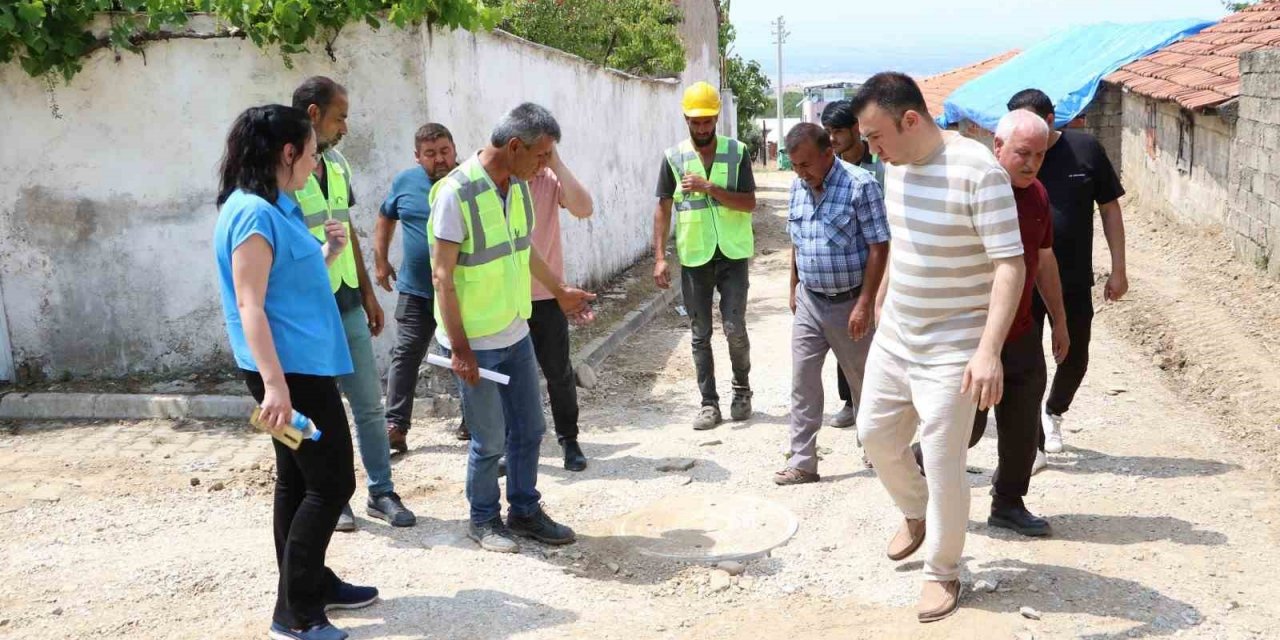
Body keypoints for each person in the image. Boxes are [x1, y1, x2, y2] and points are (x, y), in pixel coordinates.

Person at [852, 72, 1026, 623]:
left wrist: (988, 350)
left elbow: (1010, 264)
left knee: (945, 459)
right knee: (874, 434)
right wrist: (881, 300)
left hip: (955, 345)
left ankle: (943, 571)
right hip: (899, 332)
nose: (871, 148)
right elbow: (905, 241)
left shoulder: (978, 171)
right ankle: (915, 509)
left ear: (910, 120)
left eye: (876, 136)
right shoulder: (894, 166)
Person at [214, 104, 377, 640]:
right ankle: (296, 615)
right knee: (332, 484)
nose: (314, 163)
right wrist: (276, 386)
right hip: (291, 375)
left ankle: (310, 584)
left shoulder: (275, 205)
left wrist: (330, 253)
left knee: (297, 480)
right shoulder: (253, 215)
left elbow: (289, 284)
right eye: (310, 152)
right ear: (288, 153)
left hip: (301, 368)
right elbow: (250, 305)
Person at [430, 103, 596, 554]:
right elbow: (442, 277)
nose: (546, 165)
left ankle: (523, 511)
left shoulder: (519, 188)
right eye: (542, 156)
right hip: (476, 342)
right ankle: (483, 520)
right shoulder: (456, 193)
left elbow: (524, 252)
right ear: (516, 146)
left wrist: (559, 292)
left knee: (529, 429)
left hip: (513, 329)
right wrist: (460, 349)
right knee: (489, 440)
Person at [909, 110, 1071, 536]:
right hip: (969, 334)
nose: (1032, 163)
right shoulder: (970, 189)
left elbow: (1044, 261)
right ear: (997, 147)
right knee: (966, 425)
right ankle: (917, 475)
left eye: (1039, 154)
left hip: (1020, 333)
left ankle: (1008, 502)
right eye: (1022, 153)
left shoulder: (1037, 195)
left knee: (1021, 424)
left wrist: (1059, 320)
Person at [291, 77, 415, 531]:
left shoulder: (338, 166)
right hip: (306, 310)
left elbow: (348, 230)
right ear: (313, 115)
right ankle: (330, 495)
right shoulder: (283, 172)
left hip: (345, 301)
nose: (345, 127)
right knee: (318, 411)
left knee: (367, 403)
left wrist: (367, 292)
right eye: (339, 117)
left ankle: (381, 491)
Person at [1008, 88, 1129, 454]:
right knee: (1029, 361)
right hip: (1025, 280)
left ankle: (1054, 411)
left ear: (1050, 120)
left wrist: (1118, 269)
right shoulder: (1010, 160)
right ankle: (1036, 442)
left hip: (1073, 278)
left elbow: (1110, 209)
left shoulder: (1085, 150)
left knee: (1074, 355)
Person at [773, 123, 889, 486]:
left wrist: (866, 302)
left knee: (865, 381)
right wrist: (793, 285)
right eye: (795, 166)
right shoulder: (797, 187)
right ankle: (803, 461)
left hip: (850, 301)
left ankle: (878, 449)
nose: (801, 173)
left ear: (828, 153)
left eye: (806, 164)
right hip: (810, 300)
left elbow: (879, 245)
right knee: (803, 381)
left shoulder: (860, 186)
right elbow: (797, 241)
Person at [653, 81, 758, 431]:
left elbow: (748, 203)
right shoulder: (673, 157)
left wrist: (710, 188)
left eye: (707, 121)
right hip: (695, 255)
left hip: (732, 255)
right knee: (700, 334)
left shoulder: (737, 152)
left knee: (734, 327)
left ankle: (742, 391)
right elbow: (663, 208)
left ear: (716, 118)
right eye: (695, 122)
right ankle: (708, 404)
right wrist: (660, 257)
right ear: (686, 119)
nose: (702, 128)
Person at [374, 123, 460, 453]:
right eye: (430, 154)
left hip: (457, 291)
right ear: (417, 156)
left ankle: (474, 421)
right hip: (416, 289)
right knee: (406, 355)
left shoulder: (467, 181)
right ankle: (395, 425)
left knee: (463, 355)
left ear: (454, 149)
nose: (439, 159)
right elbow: (385, 218)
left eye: (444, 151)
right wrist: (381, 260)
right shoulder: (405, 182)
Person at [526, 146, 595, 471]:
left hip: (547, 296)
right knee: (506, 378)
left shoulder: (548, 178)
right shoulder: (502, 182)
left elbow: (584, 207)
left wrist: (555, 162)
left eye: (545, 151)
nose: (539, 158)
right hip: (505, 300)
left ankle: (569, 439)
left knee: (559, 374)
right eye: (535, 151)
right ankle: (508, 446)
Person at [820, 99, 885, 431]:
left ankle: (877, 403)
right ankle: (849, 400)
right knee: (842, 335)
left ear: (855, 130)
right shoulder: (828, 169)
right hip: (846, 264)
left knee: (877, 338)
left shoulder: (880, 165)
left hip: (880, 259)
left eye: (838, 132)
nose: (832, 139)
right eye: (828, 132)